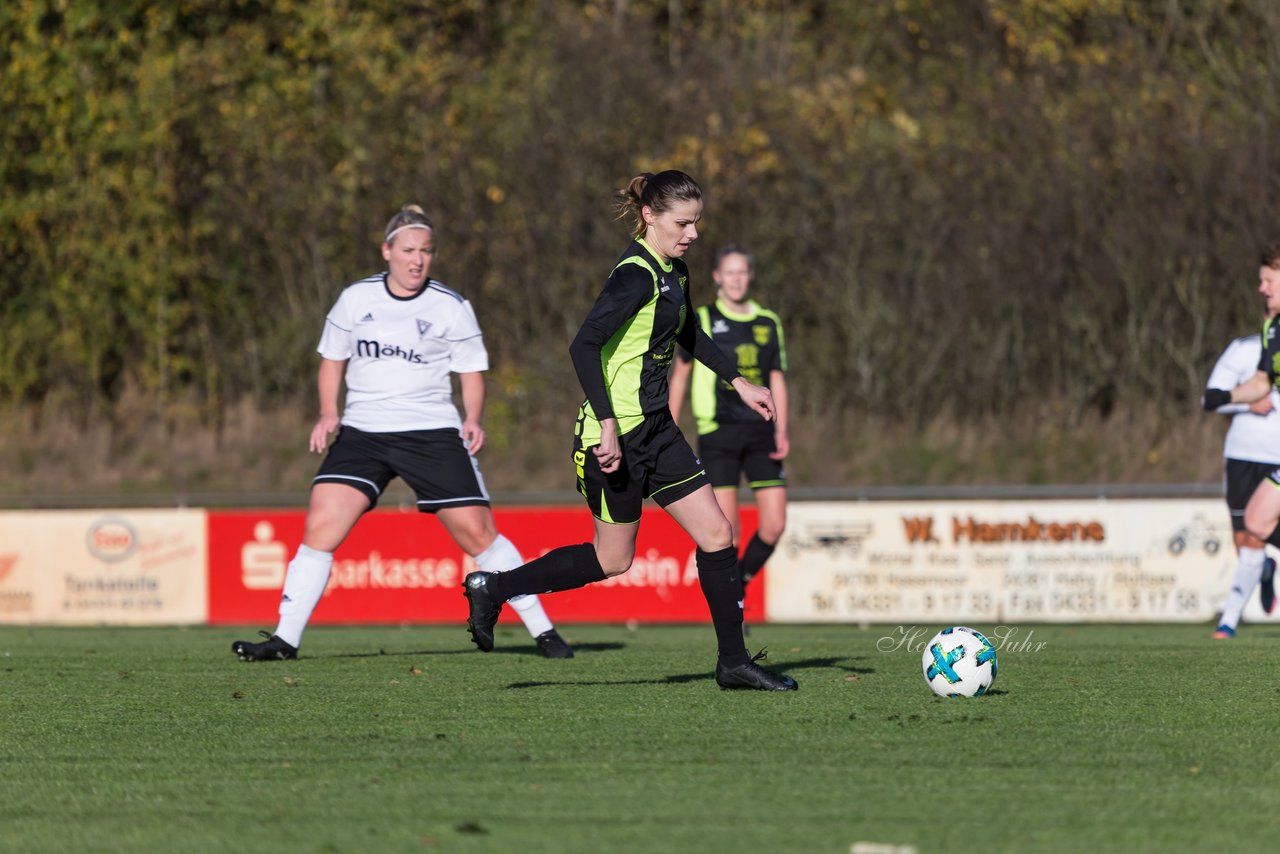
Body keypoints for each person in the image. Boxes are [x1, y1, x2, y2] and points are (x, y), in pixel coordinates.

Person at [461, 170, 797, 691]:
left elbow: (687, 330)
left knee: (717, 533)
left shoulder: (675, 271)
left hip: (658, 430)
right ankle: (496, 587)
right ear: (649, 217)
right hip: (609, 435)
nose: (693, 233)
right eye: (683, 223)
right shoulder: (634, 275)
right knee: (612, 560)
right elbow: (583, 345)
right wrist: (610, 428)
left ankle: (733, 663)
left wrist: (738, 381)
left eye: (697, 223)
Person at [233, 204, 573, 661]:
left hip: (431, 432)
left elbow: (471, 372)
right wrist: (327, 413)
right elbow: (332, 360)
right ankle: (283, 641)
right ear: (387, 251)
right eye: (409, 250)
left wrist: (473, 418)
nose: (418, 259)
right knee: (320, 526)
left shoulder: (451, 306)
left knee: (478, 534)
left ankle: (545, 632)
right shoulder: (356, 299)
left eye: (426, 251)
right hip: (363, 433)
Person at [668, 244, 788, 597]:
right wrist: (669, 427)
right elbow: (680, 375)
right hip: (718, 433)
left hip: (762, 432)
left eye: (742, 272)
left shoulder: (768, 321)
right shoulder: (701, 319)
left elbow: (777, 377)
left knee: (775, 524)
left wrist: (782, 428)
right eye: (729, 272)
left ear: (750, 277)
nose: (736, 279)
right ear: (718, 277)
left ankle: (741, 585)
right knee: (726, 527)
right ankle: (731, 606)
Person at [1203, 242, 1280, 635]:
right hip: (1244, 456)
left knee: (1258, 523)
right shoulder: (1266, 335)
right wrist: (1232, 399)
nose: (1262, 290)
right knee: (1253, 525)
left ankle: (1228, 622)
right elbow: (1261, 382)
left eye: (1268, 281)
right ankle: (1234, 614)